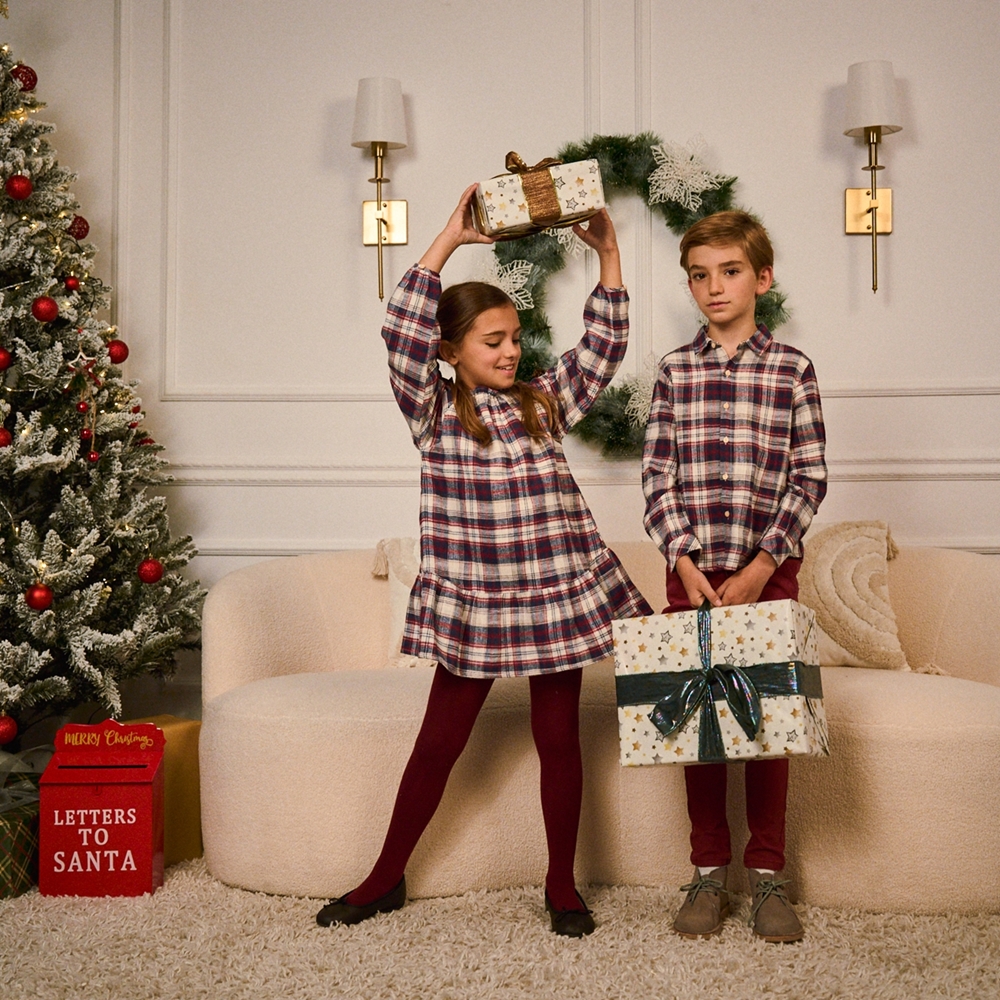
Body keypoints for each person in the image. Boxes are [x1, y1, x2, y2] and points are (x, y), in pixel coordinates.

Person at [316, 185, 652, 937]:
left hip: (556, 593)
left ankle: (562, 883)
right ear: (451, 350)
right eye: (491, 340)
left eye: (514, 337)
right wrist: (447, 239)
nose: (510, 351)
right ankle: (383, 877)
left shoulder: (541, 401)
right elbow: (400, 328)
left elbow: (601, 351)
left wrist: (609, 256)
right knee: (438, 743)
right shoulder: (431, 411)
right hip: (477, 599)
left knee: (559, 740)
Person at [642, 210, 827, 942]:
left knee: (766, 725)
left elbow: (808, 478)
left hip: (765, 575)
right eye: (698, 275)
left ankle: (770, 875)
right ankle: (709, 872)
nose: (712, 287)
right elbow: (656, 477)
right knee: (701, 727)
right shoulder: (674, 372)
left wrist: (762, 565)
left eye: (729, 272)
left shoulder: (792, 370)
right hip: (692, 577)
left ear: (762, 278)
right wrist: (684, 560)